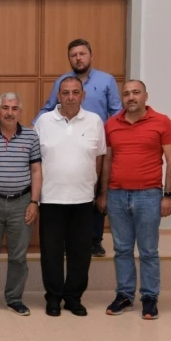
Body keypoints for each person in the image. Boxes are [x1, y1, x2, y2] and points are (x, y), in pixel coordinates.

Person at [96, 80, 171, 321]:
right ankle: (124, 294)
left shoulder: (162, 122)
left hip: (149, 195)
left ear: (145, 96)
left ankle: (150, 297)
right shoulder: (111, 124)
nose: (131, 97)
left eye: (136, 93)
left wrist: (168, 196)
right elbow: (108, 162)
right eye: (126, 94)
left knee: (148, 250)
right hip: (117, 195)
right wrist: (103, 193)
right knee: (121, 249)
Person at [35, 38, 121, 258]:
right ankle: (68, 240)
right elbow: (49, 107)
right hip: (66, 137)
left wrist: (114, 138)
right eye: (73, 55)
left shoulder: (106, 80)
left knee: (94, 189)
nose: (78, 58)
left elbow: (116, 111)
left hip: (95, 140)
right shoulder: (62, 81)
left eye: (82, 54)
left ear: (90, 55)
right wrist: (33, 129)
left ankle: (94, 239)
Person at [34, 77, 106, 317]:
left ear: (83, 96)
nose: (71, 97)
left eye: (76, 92)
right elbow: (34, 161)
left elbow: (99, 159)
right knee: (51, 252)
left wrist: (95, 189)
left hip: (83, 199)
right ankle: (53, 297)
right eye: (65, 92)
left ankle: (74, 298)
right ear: (58, 96)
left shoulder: (95, 121)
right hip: (50, 198)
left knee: (80, 253)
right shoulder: (43, 121)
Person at [0, 92, 42, 316]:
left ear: (20, 112)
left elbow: (36, 170)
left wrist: (34, 202)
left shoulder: (31, 137)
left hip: (22, 202)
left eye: (14, 108)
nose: (9, 113)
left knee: (18, 256)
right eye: (5, 108)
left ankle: (14, 298)